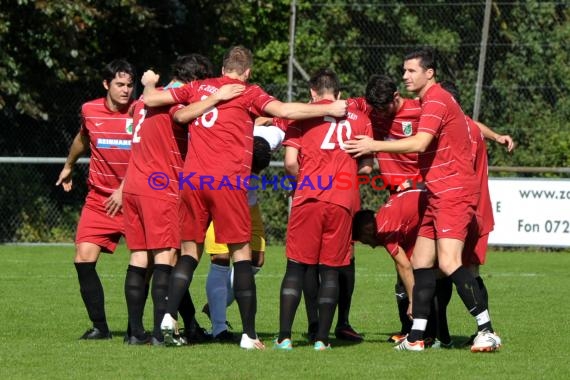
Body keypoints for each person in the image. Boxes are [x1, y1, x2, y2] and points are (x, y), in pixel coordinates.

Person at [141, 45, 348, 350]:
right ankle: (249, 336)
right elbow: (286, 111)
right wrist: (327, 109)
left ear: (223, 68)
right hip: (227, 182)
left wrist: (148, 82)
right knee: (241, 257)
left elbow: (154, 100)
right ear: (247, 72)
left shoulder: (198, 87)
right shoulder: (249, 93)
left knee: (188, 254)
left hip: (193, 180)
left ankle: (169, 315)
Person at [345, 47, 502, 352]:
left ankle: (487, 330)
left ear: (429, 73)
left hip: (453, 191)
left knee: (450, 262)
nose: (405, 76)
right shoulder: (428, 101)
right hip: (435, 192)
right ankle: (417, 337)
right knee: (420, 261)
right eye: (404, 71)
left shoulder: (436, 99)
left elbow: (420, 143)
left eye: (411, 71)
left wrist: (372, 144)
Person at [121, 54, 223, 345]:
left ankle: (134, 333)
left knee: (139, 258)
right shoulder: (174, 101)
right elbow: (186, 117)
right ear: (195, 81)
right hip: (160, 185)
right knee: (166, 258)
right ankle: (158, 334)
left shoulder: (144, 100)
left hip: (134, 184)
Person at [274, 68, 374, 351]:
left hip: (309, 196)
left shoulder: (303, 114)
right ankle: (321, 340)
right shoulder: (361, 119)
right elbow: (366, 166)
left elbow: (291, 163)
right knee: (331, 270)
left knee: (296, 267)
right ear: (338, 94)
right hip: (342, 201)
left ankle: (284, 337)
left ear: (312, 93)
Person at [56, 59, 135, 340]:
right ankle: (101, 328)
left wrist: (125, 189)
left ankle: (144, 327)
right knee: (83, 259)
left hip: (136, 200)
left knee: (154, 264)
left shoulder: (140, 112)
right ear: (106, 84)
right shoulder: (90, 110)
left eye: (129, 85)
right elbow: (82, 137)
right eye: (120, 84)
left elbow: (149, 154)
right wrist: (68, 165)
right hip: (99, 199)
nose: (126, 90)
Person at [201, 131, 275, 342]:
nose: (255, 175)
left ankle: (217, 304)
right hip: (222, 204)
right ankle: (218, 328)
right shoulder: (226, 141)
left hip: (249, 208)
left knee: (256, 260)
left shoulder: (274, 135)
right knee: (221, 259)